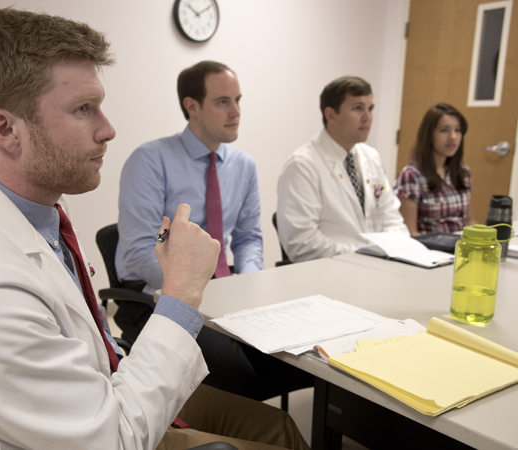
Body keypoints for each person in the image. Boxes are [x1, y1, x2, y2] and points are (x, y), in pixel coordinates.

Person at [0, 9, 310, 450]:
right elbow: (114, 440)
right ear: (6, 129)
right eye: (83, 109)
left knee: (282, 430)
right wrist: (181, 292)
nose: (108, 129)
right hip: (107, 425)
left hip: (106, 378)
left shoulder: (16, 200)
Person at [114, 60, 314, 401]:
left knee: (297, 351)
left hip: (225, 287)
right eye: (223, 102)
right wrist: (203, 289)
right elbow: (144, 245)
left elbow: (249, 238)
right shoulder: (151, 160)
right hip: (161, 294)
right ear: (192, 106)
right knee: (241, 371)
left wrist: (247, 284)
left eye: (238, 100)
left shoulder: (243, 166)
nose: (236, 111)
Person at [277, 76, 409, 262]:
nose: (367, 117)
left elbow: (391, 217)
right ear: (330, 115)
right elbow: (302, 243)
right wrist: (363, 254)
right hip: (330, 271)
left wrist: (398, 248)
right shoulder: (302, 165)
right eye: (357, 108)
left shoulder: (371, 157)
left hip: (377, 265)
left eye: (370, 108)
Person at [394, 103, 476, 235]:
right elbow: (409, 233)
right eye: (444, 130)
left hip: (460, 247)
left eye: (458, 130)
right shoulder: (411, 175)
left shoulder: (463, 172)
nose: (453, 137)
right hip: (430, 248)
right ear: (429, 134)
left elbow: (470, 221)